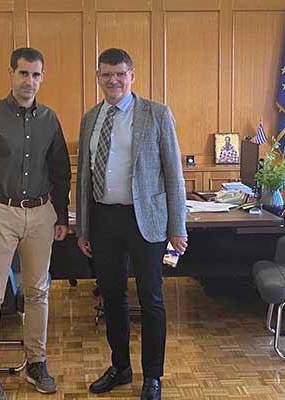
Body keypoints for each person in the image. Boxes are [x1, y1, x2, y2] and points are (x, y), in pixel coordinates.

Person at [75, 48, 188, 400]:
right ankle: (120, 367)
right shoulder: (90, 118)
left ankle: (152, 376)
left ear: (132, 76)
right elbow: (83, 178)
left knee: (151, 299)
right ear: (98, 77)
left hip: (146, 220)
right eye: (106, 75)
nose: (114, 81)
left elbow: (174, 174)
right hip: (104, 219)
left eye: (120, 74)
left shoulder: (156, 113)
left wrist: (178, 226)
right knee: (112, 297)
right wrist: (83, 228)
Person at [0, 47, 71, 400]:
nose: (29, 81)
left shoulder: (50, 119)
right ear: (10, 73)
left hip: (41, 214)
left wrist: (61, 214)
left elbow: (60, 171)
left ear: (42, 77)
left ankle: (36, 363)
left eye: (36, 74)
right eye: (23, 73)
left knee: (38, 292)